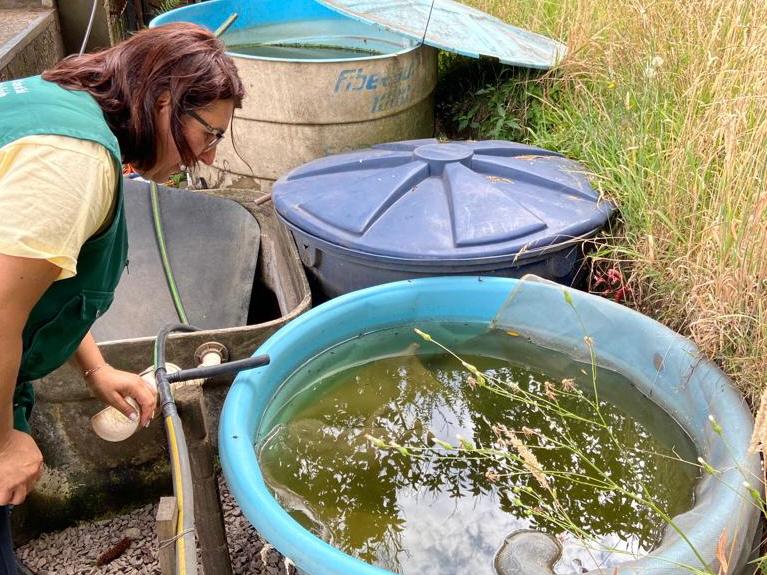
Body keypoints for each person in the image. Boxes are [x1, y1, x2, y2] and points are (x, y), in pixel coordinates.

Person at [0, 22, 245, 572]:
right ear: (163, 102)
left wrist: (96, 369)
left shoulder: (56, 101)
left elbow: (40, 283)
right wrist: (1, 445)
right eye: (209, 133)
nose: (206, 157)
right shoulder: (74, 160)